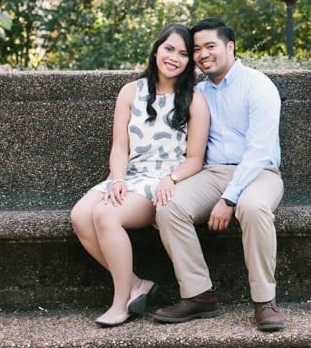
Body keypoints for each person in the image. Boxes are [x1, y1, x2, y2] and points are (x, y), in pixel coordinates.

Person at [70, 23, 210, 327]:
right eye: (169, 49)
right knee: (81, 215)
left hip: (165, 182)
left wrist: (170, 179)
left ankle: (121, 302)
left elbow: (195, 159)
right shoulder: (131, 91)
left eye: (183, 53)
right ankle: (135, 283)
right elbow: (120, 147)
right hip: (130, 175)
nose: (174, 57)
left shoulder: (194, 100)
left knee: (106, 215)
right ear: (157, 49)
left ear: (189, 62)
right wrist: (117, 179)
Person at [152, 18, 285, 332]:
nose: (202, 54)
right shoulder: (197, 92)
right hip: (212, 173)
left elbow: (258, 150)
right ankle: (199, 295)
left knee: (251, 208)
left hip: (259, 172)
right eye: (196, 49)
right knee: (168, 206)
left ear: (230, 47)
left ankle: (265, 302)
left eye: (210, 46)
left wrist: (229, 198)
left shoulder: (258, 84)